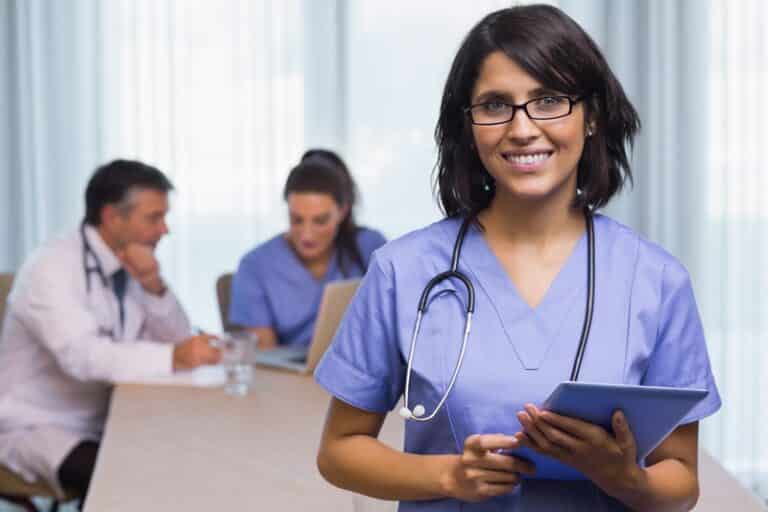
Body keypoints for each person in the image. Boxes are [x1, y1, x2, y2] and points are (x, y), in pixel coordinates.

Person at [314, 5, 721, 511]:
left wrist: (625, 478)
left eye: (549, 100)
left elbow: (682, 483)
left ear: (591, 115)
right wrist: (449, 475)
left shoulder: (656, 282)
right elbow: (338, 452)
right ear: (468, 127)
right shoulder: (404, 270)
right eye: (494, 105)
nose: (523, 128)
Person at [0, 160, 221, 503]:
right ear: (112, 217)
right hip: (38, 424)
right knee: (137, 480)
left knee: (193, 454)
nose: (165, 229)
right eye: (154, 218)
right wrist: (175, 356)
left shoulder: (128, 262)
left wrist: (152, 284)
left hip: (109, 414)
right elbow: (83, 358)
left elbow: (178, 340)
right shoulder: (51, 267)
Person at [229, 149, 386, 348]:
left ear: (342, 211)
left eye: (320, 221)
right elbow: (265, 357)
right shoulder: (256, 266)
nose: (307, 234)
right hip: (291, 376)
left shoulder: (369, 246)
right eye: (296, 220)